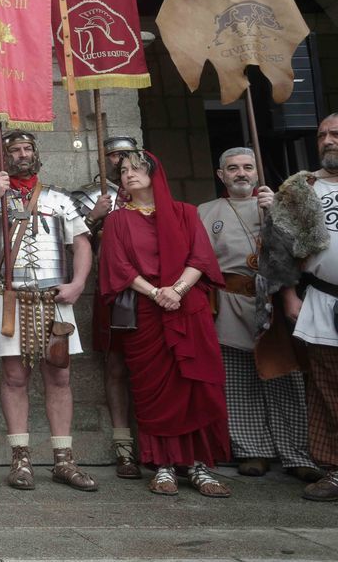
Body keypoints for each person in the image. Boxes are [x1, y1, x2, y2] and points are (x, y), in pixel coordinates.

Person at [0, 130, 96, 492]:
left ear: (36, 153)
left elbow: (81, 244)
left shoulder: (59, 199)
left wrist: (78, 283)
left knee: (60, 378)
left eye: (26, 148)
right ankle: (20, 459)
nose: (21, 154)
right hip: (11, 298)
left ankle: (64, 459)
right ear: (1, 157)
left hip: (56, 297)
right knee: (15, 378)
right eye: (13, 149)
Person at [98, 150, 232, 497]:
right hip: (147, 313)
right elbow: (120, 268)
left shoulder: (185, 213)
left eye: (136, 168)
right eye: (123, 170)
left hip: (188, 310)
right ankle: (164, 465)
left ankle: (200, 466)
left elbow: (201, 257)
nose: (128, 174)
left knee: (195, 389)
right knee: (154, 393)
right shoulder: (117, 221)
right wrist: (157, 293)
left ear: (155, 172)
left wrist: (178, 290)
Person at [197, 148, 319, 481]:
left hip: (274, 300)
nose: (241, 173)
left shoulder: (280, 206)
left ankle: (296, 453)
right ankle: (252, 451)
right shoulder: (206, 212)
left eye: (248, 167)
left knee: (283, 375)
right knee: (237, 380)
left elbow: (306, 249)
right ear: (221, 175)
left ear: (257, 172)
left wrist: (277, 214)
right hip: (229, 302)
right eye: (232, 168)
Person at [260, 112, 338, 501]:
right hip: (323, 298)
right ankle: (334, 469)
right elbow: (277, 249)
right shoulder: (299, 190)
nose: (328, 140)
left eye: (336, 134)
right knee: (325, 385)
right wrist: (289, 294)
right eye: (323, 134)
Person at [72, 134, 143, 479]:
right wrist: (93, 217)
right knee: (115, 367)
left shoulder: (149, 193)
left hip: (154, 290)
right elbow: (72, 242)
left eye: (126, 155)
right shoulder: (90, 196)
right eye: (113, 156)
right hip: (112, 289)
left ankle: (157, 443)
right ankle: (123, 445)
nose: (119, 162)